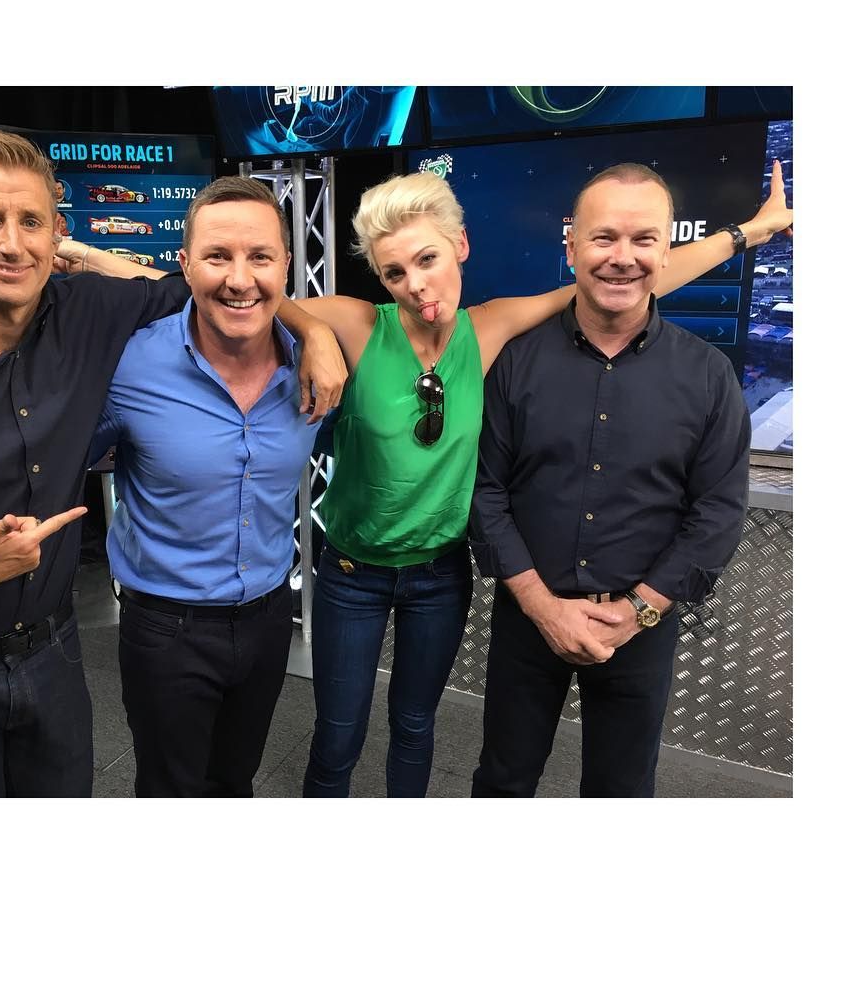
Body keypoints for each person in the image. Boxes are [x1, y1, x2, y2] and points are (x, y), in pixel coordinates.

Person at [0, 132, 344, 798]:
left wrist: (312, 329)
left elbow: (211, 289)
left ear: (57, 231)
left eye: (31, 222)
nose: (11, 243)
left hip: (51, 653)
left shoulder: (91, 316)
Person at [285, 162, 792, 797]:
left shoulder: (490, 328)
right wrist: (312, 330)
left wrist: (747, 234)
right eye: (394, 272)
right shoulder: (357, 323)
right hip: (352, 573)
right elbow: (252, 294)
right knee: (337, 737)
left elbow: (629, 276)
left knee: (415, 727)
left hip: (439, 576)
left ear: (460, 245)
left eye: (427, 259)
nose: (416, 285)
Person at [468, 163, 768, 797]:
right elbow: (485, 491)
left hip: (642, 628)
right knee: (502, 783)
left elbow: (717, 511)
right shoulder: (516, 363)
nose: (622, 257)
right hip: (528, 617)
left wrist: (638, 610)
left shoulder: (708, 375)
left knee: (622, 792)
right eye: (604, 238)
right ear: (572, 246)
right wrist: (543, 606)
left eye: (643, 239)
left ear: (666, 250)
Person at [86, 177, 327, 796]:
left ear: (286, 263)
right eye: (218, 256)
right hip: (166, 629)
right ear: (185, 265)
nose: (240, 279)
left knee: (234, 785)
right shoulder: (129, 365)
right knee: (170, 792)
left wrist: (319, 334)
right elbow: (55, 461)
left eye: (260, 256)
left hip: (268, 620)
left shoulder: (317, 367)